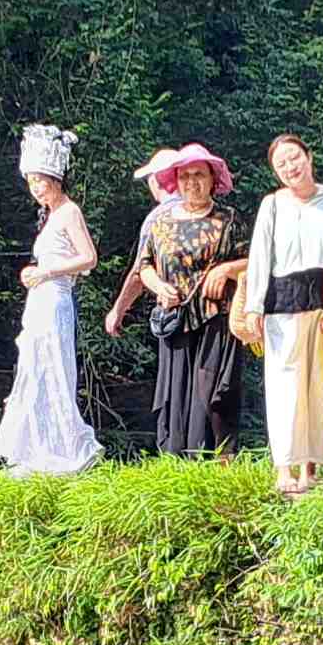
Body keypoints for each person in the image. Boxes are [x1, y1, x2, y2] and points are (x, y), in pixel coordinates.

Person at [110, 144, 244, 460]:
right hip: (174, 320)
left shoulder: (229, 219)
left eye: (199, 175)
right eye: (184, 176)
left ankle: (220, 460)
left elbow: (256, 261)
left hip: (216, 320)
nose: (191, 182)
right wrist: (159, 287)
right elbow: (144, 267)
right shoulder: (161, 221)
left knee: (213, 392)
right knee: (176, 393)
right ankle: (177, 462)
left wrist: (226, 270)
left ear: (213, 179)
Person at [246, 134, 323, 494]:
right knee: (285, 386)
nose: (291, 167)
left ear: (309, 157)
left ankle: (311, 469)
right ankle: (285, 468)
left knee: (320, 386)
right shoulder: (272, 205)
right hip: (284, 303)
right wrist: (253, 307)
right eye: (282, 164)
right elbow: (260, 257)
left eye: (295, 158)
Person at [0, 126, 102, 477]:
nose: (36, 188)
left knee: (53, 367)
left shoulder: (69, 212)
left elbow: (88, 257)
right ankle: (34, 450)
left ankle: (67, 448)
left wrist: (47, 272)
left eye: (40, 180)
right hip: (41, 299)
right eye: (31, 182)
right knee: (35, 367)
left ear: (55, 178)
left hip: (55, 299)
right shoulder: (51, 216)